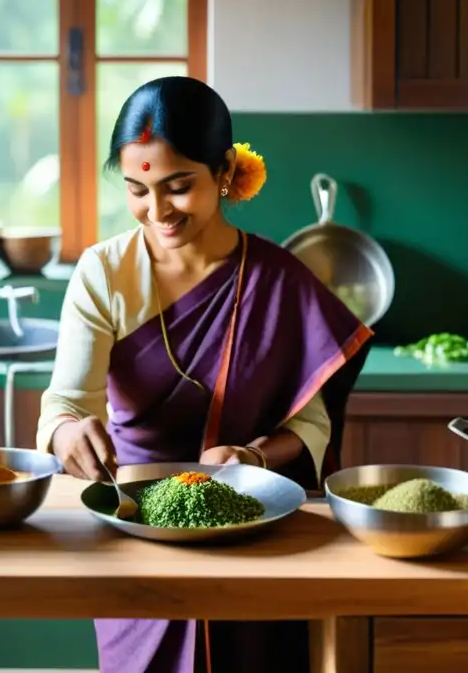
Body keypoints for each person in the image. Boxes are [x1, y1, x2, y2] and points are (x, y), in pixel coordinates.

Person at [37, 76, 373, 673]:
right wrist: (68, 434)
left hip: (253, 522)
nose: (157, 211)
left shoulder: (278, 277)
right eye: (137, 190)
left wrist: (256, 457)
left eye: (178, 187)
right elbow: (67, 402)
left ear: (224, 172)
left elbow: (313, 422)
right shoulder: (103, 273)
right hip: (134, 523)